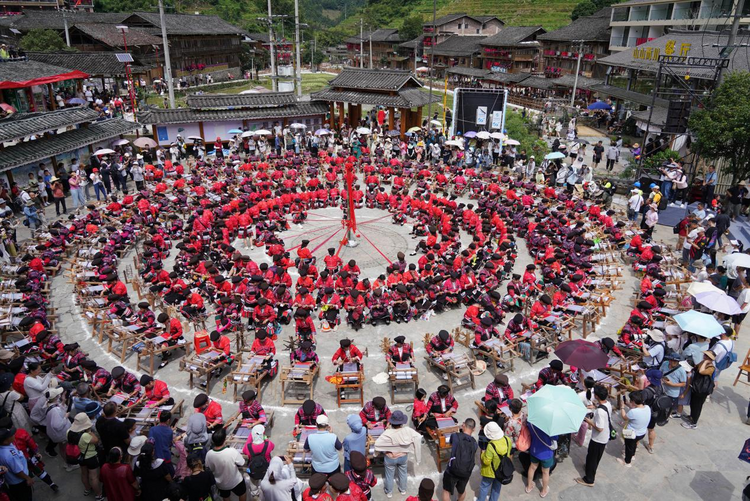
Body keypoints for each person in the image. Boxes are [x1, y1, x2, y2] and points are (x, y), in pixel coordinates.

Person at [374, 410, 423, 498]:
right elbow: (418, 437)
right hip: (403, 456)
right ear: (402, 423)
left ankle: (389, 492)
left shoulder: (387, 432)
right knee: (403, 473)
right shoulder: (408, 430)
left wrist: (375, 454)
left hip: (390, 458)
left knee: (389, 475)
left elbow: (377, 444)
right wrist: (416, 454)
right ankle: (403, 489)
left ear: (391, 422)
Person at [575, 385, 611, 487]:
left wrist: (588, 421)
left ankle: (589, 479)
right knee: (594, 457)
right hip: (604, 437)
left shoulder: (600, 411)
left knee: (592, 458)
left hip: (598, 438)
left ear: (597, 396)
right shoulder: (607, 404)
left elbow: (599, 428)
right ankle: (590, 469)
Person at [205, 427, 246, 501]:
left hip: (220, 483)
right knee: (242, 493)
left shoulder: (209, 454)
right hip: (235, 481)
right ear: (224, 440)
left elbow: (209, 467)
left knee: (226, 497)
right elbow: (242, 463)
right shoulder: (231, 451)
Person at [441, 418, 477, 501]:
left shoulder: (455, 436)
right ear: (473, 429)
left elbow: (450, 442)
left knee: (446, 491)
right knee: (462, 491)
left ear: (463, 425)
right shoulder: (474, 443)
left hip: (452, 470)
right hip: (466, 472)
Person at [71, 413, 104, 500]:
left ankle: (87, 489)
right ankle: (99, 494)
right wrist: (89, 431)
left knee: (84, 473)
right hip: (90, 456)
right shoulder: (85, 435)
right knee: (93, 477)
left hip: (80, 456)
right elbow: (96, 440)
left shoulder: (69, 432)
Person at [682, 351, 716, 430]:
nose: (704, 356)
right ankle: (691, 417)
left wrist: (706, 362)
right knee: (693, 403)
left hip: (702, 390)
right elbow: (696, 367)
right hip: (696, 387)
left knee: (697, 406)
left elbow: (701, 371)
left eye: (706, 356)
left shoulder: (711, 367)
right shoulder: (703, 362)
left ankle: (694, 423)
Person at [0, 424, 34, 501]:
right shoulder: (10, 455)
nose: (13, 435)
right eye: (11, 435)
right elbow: (17, 471)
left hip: (12, 482)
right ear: (5, 441)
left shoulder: (6, 446)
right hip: (20, 482)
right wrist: (28, 478)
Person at [478, 421, 510, 501]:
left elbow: (486, 461)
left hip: (490, 472)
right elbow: (508, 453)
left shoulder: (491, 445)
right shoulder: (507, 440)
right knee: (497, 487)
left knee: (484, 486)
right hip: (502, 470)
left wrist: (482, 453)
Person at [526, 421, 558, 497]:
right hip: (546, 453)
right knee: (545, 472)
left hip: (534, 449)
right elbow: (555, 438)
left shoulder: (532, 423)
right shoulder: (551, 427)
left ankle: (529, 486)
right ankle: (544, 491)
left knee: (532, 467)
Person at [618, 391, 650, 467]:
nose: (630, 402)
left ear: (634, 401)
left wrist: (622, 407)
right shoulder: (647, 407)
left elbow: (624, 417)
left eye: (631, 401)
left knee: (628, 447)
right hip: (641, 433)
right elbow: (635, 407)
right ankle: (633, 455)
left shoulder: (633, 412)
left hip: (632, 434)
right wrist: (628, 404)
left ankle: (627, 462)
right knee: (634, 444)